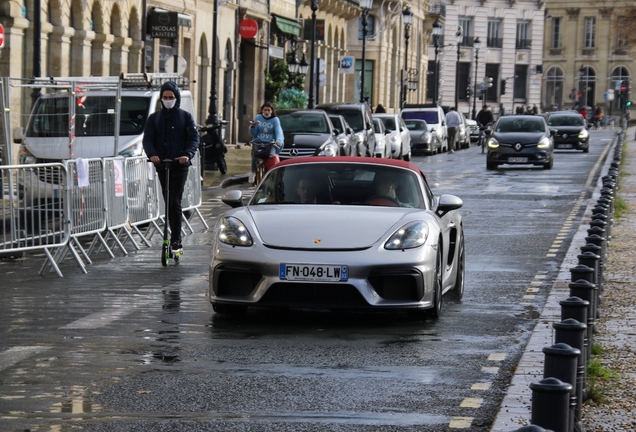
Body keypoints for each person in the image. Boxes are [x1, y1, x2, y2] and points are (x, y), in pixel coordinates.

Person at [143, 81, 200, 255]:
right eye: (165, 97)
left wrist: (187, 155)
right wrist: (152, 154)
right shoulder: (155, 118)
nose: (168, 100)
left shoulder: (185, 117)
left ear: (176, 98)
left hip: (180, 164)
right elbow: (148, 139)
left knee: (175, 200)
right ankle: (172, 236)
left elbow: (193, 139)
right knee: (167, 200)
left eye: (171, 97)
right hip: (162, 164)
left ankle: (176, 239)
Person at [249, 101, 284, 184]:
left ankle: (272, 176)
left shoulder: (275, 120)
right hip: (258, 141)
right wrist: (253, 126)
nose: (267, 112)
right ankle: (253, 173)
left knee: (271, 160)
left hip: (270, 143)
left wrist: (278, 141)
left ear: (272, 111)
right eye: (265, 110)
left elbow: (278, 131)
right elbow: (254, 133)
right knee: (255, 156)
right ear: (262, 110)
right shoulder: (258, 117)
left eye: (268, 110)